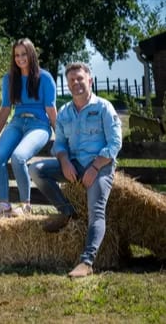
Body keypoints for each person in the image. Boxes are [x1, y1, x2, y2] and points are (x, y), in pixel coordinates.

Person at [29, 62, 122, 278]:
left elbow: (115, 144)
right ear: (68, 85)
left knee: (95, 211)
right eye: (72, 80)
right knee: (36, 169)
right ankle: (67, 212)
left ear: (89, 80)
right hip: (73, 165)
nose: (76, 83)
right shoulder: (64, 112)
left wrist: (95, 167)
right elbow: (59, 144)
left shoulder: (103, 108)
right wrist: (64, 161)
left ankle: (87, 262)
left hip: (101, 166)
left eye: (80, 79)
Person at [0, 38, 57, 217]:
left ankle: (25, 205)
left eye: (24, 54)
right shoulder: (9, 79)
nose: (20, 58)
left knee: (18, 157)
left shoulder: (45, 77)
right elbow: (5, 108)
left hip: (39, 125)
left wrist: (61, 137)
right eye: (17, 55)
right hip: (17, 122)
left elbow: (51, 109)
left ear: (31, 54)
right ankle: (4, 203)